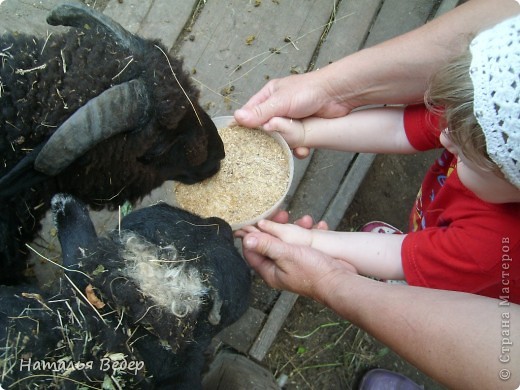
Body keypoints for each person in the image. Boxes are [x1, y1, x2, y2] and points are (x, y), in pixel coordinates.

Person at [233, 1, 520, 389]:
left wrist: (309, 242)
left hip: (468, 284)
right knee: (422, 241)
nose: (446, 136)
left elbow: (396, 256)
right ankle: (420, 243)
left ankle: (418, 285)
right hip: (442, 227)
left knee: (420, 269)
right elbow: (401, 129)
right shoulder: (480, 118)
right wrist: (305, 133)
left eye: (464, 152)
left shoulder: (492, 249)